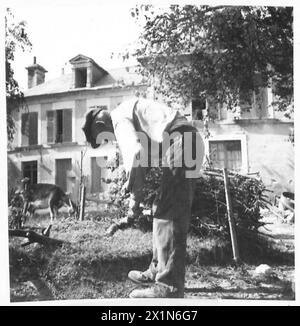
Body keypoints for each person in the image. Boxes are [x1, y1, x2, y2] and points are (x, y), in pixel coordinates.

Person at [82, 98, 205, 298]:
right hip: (187, 143)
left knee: (170, 216)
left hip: (182, 143)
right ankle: (156, 270)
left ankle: (168, 288)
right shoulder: (132, 114)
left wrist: (133, 202)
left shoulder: (118, 118)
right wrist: (135, 196)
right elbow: (144, 159)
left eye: (103, 137)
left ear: (99, 124)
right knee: (161, 208)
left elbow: (136, 156)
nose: (109, 140)